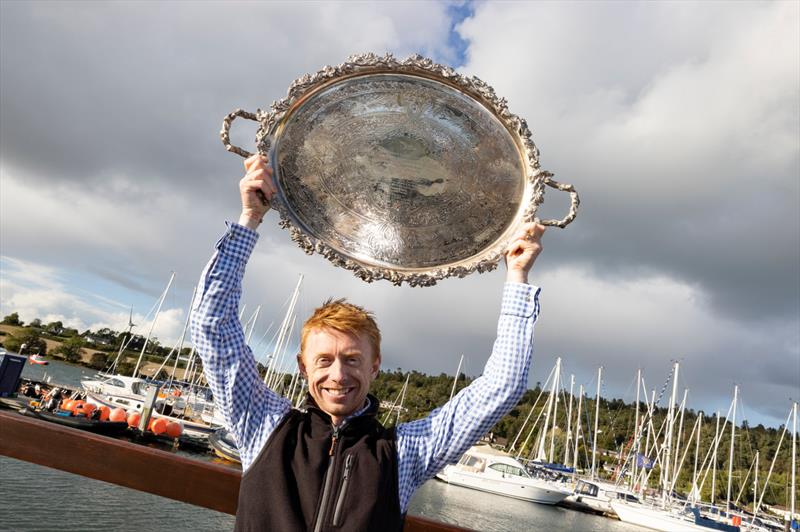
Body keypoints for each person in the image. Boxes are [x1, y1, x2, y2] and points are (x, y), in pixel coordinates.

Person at [190, 154, 546, 531]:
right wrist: (250, 219)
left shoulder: (404, 454)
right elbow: (211, 325)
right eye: (324, 360)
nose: (338, 375)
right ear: (303, 366)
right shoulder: (263, 426)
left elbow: (503, 385)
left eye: (353, 359)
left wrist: (517, 276)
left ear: (375, 365)